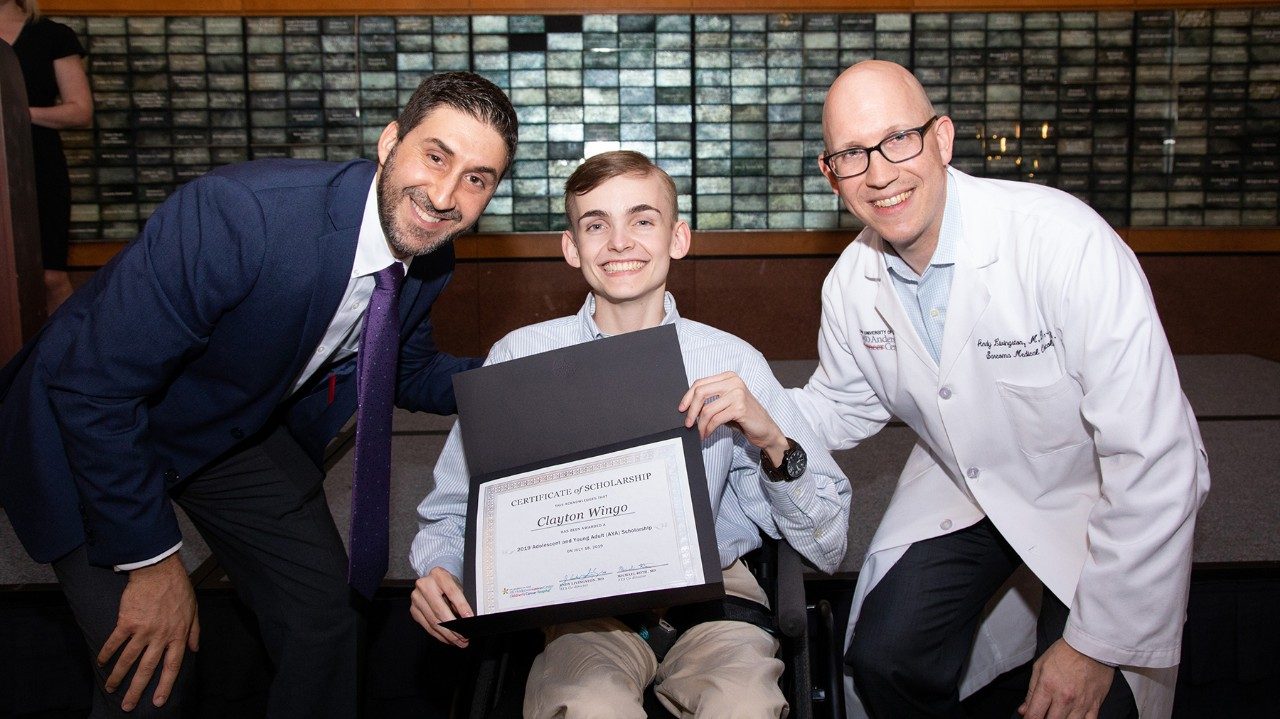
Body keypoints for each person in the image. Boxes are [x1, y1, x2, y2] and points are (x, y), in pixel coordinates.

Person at [0, 72, 517, 717]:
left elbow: (405, 373)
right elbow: (93, 388)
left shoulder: (429, 258)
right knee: (153, 660)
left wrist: (534, 378)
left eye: (477, 178)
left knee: (323, 614)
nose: (445, 195)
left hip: (221, 418)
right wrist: (153, 561)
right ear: (390, 142)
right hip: (85, 422)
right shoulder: (241, 218)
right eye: (436, 156)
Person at [788, 60, 1209, 719]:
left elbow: (1157, 458)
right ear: (830, 172)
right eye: (851, 153)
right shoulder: (851, 282)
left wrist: (1093, 645)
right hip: (969, 480)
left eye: (898, 138)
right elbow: (841, 403)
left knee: (1087, 702)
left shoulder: (1063, 243)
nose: (878, 171)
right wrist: (751, 412)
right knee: (882, 658)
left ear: (943, 138)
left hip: (1095, 490)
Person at [409, 150, 852, 718]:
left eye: (642, 220)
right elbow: (452, 508)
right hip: (579, 607)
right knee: (586, 706)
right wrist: (438, 569)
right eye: (596, 225)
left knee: (742, 705)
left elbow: (829, 543)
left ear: (678, 238)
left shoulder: (730, 361)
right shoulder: (518, 358)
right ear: (572, 248)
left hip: (715, 596)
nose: (620, 242)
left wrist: (772, 442)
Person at [0, 0, 93, 315]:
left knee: (50, 277)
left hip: (39, 167)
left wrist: (16, 114)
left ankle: (66, 361)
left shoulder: (53, 35)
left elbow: (81, 111)